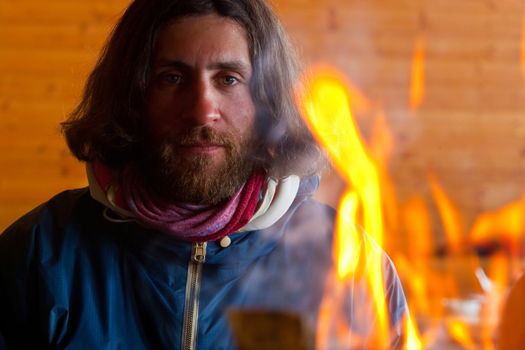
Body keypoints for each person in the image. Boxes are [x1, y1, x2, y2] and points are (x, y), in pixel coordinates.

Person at [0, 0, 408, 348]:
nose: (200, 110)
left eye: (228, 79)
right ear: (134, 97)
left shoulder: (350, 264)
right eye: (172, 78)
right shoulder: (39, 255)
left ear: (266, 101)